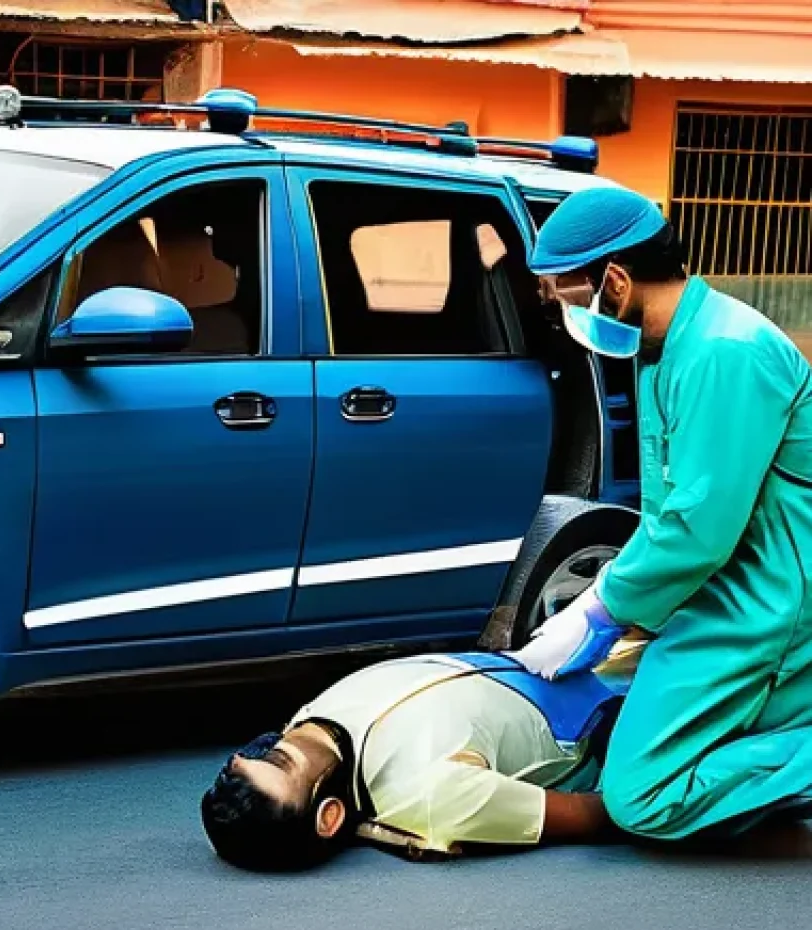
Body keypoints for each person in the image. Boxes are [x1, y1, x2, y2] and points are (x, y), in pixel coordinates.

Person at [508, 186, 812, 842]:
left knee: (640, 792)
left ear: (613, 281)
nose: (561, 312)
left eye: (564, 293)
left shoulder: (724, 351)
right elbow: (670, 509)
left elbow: (699, 527)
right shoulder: (663, 351)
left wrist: (602, 605)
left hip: (767, 600)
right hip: (723, 589)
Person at [200, 643, 642, 871]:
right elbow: (601, 813)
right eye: (278, 760)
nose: (269, 745)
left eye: (249, 752)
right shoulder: (430, 796)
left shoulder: (313, 717)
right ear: (329, 816)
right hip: (624, 708)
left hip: (560, 652)